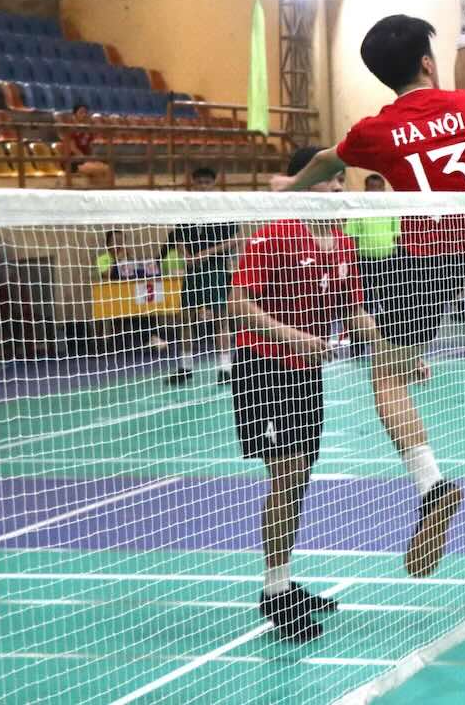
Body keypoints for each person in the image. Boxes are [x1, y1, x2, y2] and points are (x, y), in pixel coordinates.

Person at [273, 0, 465, 577]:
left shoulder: (372, 132)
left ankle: (431, 483)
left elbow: (327, 163)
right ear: (427, 62)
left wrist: (284, 191)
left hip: (425, 261)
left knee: (384, 377)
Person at [230, 146, 377, 643]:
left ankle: (283, 581)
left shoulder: (339, 241)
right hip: (262, 364)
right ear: (299, 182)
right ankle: (274, 592)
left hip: (306, 372)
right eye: (327, 181)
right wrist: (292, 337)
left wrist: (390, 353)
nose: (336, 189)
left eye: (340, 182)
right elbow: (238, 301)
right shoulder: (276, 232)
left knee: (297, 479)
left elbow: (354, 311)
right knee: (287, 475)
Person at [166, 166, 240, 387]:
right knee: (185, 319)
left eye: (207, 182)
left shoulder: (223, 209)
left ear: (213, 184)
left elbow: (235, 239)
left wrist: (206, 254)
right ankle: (186, 367)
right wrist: (186, 255)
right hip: (192, 271)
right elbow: (177, 237)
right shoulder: (186, 209)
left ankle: (225, 369)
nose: (203, 186)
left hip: (215, 269)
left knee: (220, 319)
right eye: (199, 182)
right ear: (194, 184)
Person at [344, 173, 402, 321]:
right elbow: (351, 237)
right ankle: (363, 339)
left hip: (388, 261)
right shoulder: (357, 210)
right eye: (372, 188)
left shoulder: (391, 209)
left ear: (383, 190)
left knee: (390, 300)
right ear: (366, 189)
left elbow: (397, 236)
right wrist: (352, 261)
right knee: (365, 301)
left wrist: (398, 258)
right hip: (364, 262)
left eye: (379, 188)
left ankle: (390, 334)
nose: (376, 191)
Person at [59, 103, 114, 189]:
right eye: (81, 112)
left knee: (106, 168)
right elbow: (73, 149)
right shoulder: (69, 129)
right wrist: (86, 160)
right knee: (96, 169)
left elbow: (90, 148)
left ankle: (100, 190)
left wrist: (92, 159)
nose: (84, 115)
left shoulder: (88, 130)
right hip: (72, 161)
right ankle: (96, 188)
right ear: (74, 115)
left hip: (84, 159)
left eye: (85, 112)